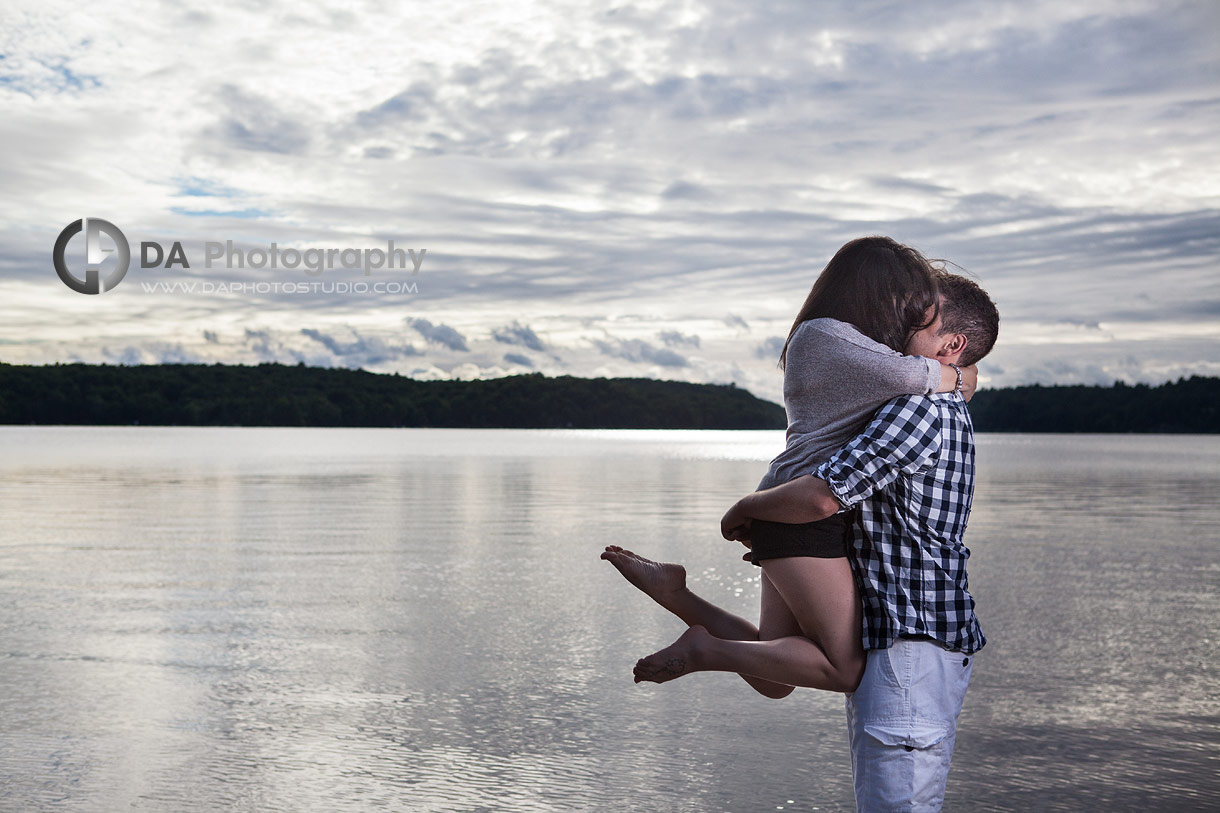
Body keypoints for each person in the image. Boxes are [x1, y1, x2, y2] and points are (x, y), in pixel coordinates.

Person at [622, 272, 1000, 811]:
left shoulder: (917, 407)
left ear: (950, 345)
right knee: (783, 671)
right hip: (911, 639)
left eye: (916, 319)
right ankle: (691, 620)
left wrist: (746, 508)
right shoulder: (932, 397)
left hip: (911, 643)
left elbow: (825, 496)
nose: (895, 329)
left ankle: (697, 633)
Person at [603, 236, 976, 701]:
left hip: (794, 503)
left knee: (774, 672)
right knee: (843, 670)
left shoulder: (843, 342)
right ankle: (704, 650)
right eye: (913, 301)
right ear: (881, 292)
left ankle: (676, 594)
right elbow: (918, 376)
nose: (916, 313)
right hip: (805, 506)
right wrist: (963, 375)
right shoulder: (825, 335)